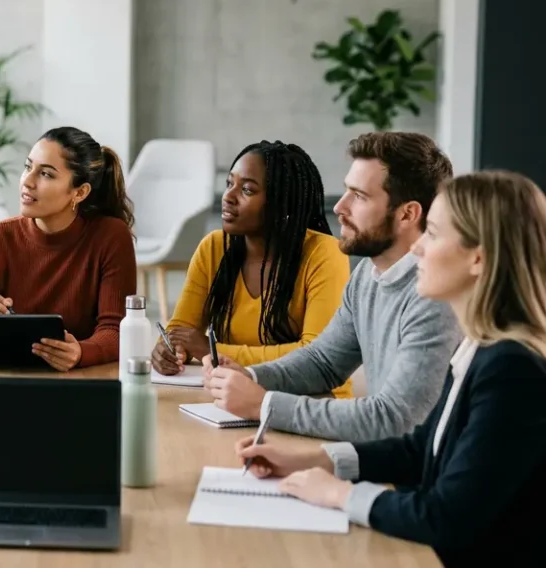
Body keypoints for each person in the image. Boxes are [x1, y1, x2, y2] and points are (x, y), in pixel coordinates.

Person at [236, 171, 546, 566]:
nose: (417, 248)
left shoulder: (512, 371)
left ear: (478, 258)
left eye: (431, 234)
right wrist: (315, 461)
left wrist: (339, 494)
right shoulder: (480, 348)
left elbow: (445, 516)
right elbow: (420, 451)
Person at [204, 133, 461, 440]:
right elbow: (324, 362)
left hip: (414, 476)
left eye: (359, 196)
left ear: (407, 213)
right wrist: (251, 376)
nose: (340, 206)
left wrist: (263, 404)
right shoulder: (368, 272)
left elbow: (394, 420)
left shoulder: (436, 297)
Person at [152, 141, 352, 397]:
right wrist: (167, 351)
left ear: (282, 203)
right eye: (229, 184)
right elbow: (180, 332)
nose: (228, 197)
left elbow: (315, 355)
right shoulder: (213, 248)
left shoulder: (324, 253)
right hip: (238, 398)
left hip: (315, 401)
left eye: (246, 189)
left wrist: (211, 351)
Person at [0, 127, 137, 369]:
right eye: (28, 167)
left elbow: (116, 331)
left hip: (80, 385)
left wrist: (80, 352)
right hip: (6, 384)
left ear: (80, 192)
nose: (27, 181)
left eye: (46, 174)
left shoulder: (110, 237)